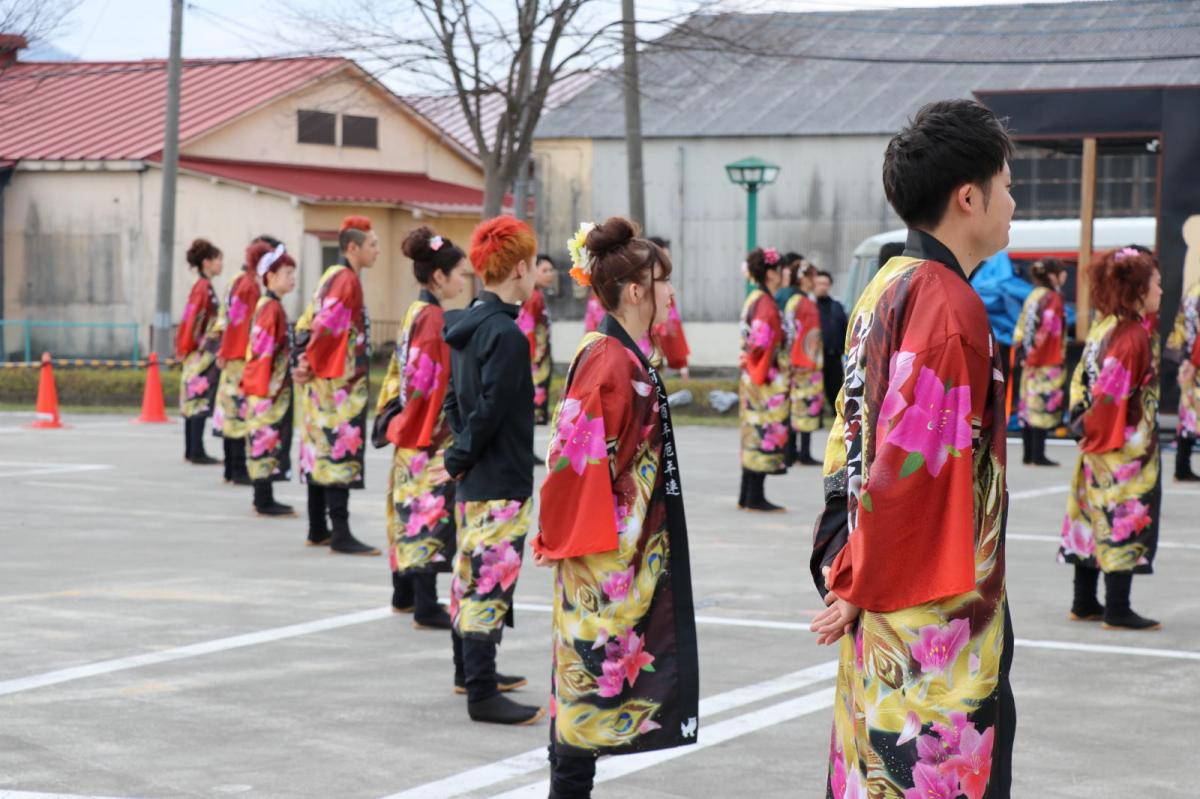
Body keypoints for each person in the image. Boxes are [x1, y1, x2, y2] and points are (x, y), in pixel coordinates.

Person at [810, 99, 1016, 798]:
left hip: (884, 591)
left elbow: (849, 434)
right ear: (969, 196)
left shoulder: (883, 286)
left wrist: (843, 559)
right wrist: (855, 576)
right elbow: (910, 473)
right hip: (931, 607)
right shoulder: (948, 304)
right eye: (1007, 184)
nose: (1012, 202)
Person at [533, 217, 699, 798]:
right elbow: (571, 467)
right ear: (635, 292)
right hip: (602, 556)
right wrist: (565, 539)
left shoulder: (621, 354)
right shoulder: (608, 360)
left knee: (587, 695)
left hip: (615, 549)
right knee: (583, 696)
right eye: (662, 281)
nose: (671, 294)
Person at [442, 216, 542, 725]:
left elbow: (454, 404)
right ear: (519, 266)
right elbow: (492, 408)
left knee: (470, 575)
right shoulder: (506, 333)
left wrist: (457, 456)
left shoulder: (464, 326)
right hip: (499, 476)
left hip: (474, 477)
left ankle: (470, 672)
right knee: (490, 578)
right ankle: (481, 692)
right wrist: (463, 455)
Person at [1060, 247, 1163, 631]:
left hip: (1097, 443)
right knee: (1123, 521)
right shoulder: (1132, 335)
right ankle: (1118, 608)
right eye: (1156, 283)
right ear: (1138, 290)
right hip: (1122, 447)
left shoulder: (1106, 326)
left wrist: (1081, 427)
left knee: (1090, 517)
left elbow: (1082, 384)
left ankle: (1084, 601)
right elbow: (1110, 395)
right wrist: (1100, 430)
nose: (1161, 291)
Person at [374, 227, 473, 629]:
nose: (463, 281)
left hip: (408, 428)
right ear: (438, 277)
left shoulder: (416, 311)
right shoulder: (433, 319)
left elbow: (403, 377)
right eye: (459, 274)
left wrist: (400, 423)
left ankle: (403, 593)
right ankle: (424, 603)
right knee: (427, 512)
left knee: (406, 510)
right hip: (425, 433)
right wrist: (436, 433)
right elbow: (429, 385)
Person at [293, 216, 380, 555]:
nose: (376, 251)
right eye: (372, 245)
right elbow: (328, 327)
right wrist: (311, 363)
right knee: (337, 451)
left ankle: (318, 527)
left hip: (321, 381)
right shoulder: (346, 280)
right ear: (352, 247)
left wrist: (303, 359)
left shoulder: (330, 275)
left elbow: (307, 323)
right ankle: (340, 532)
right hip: (336, 384)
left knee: (320, 450)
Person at [241, 242, 298, 518]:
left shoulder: (271, 306)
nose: (292, 279)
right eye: (288, 273)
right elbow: (262, 352)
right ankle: (263, 499)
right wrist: (265, 387)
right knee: (266, 438)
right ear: (271, 277)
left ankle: (265, 496)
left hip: (271, 385)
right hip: (268, 388)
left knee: (269, 439)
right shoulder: (270, 308)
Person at [213, 236, 275, 485]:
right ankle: (237, 469)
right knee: (239, 412)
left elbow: (228, 320)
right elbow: (241, 325)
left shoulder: (237, 281)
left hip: (231, 351)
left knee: (231, 411)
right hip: (239, 353)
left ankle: (231, 468)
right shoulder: (250, 286)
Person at [737, 246, 789, 512]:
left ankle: (746, 494)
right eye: (779, 270)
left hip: (753, 373)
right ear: (770, 273)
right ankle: (755, 495)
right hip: (765, 378)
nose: (783, 274)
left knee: (752, 432)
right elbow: (761, 342)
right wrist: (764, 369)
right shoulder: (766, 303)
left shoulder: (754, 298)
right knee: (763, 432)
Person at [1013, 258, 1069, 466]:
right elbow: (1048, 331)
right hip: (1046, 360)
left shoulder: (1033, 296)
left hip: (1029, 359)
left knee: (1028, 406)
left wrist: (1023, 354)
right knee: (1041, 407)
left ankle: (1029, 455)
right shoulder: (1052, 298)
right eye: (1062, 272)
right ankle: (1038, 455)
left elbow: (1021, 328)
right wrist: (1037, 356)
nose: (1064, 276)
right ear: (1053, 275)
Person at [176, 238, 223, 465]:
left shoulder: (202, 287)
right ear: (207, 262)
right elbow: (196, 320)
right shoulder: (204, 289)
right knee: (198, 399)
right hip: (201, 351)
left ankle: (192, 449)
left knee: (194, 400)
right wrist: (197, 344)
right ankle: (196, 450)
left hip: (196, 349)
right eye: (217, 259)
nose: (220, 264)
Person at [782, 260, 824, 466]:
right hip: (802, 362)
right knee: (801, 407)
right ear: (803, 278)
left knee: (804, 407)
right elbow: (794, 334)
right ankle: (796, 453)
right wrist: (796, 359)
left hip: (806, 360)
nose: (815, 280)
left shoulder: (802, 301)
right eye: (813, 276)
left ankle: (798, 452)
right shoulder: (800, 302)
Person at [519, 254, 556, 467]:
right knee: (530, 408)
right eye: (545, 270)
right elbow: (528, 329)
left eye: (551, 270)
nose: (549, 274)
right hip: (534, 363)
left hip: (539, 360)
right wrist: (531, 359)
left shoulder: (537, 295)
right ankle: (526, 451)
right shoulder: (533, 297)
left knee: (532, 409)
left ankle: (528, 450)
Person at [1165, 277, 1200, 481]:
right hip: (1196, 362)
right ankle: (1182, 468)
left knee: (1188, 416)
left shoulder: (1192, 290)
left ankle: (1182, 467)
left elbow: (1181, 329)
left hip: (1188, 360)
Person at [648, 236, 691, 378]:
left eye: (668, 258)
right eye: (664, 258)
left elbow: (672, 327)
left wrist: (682, 363)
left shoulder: (664, 289)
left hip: (651, 355)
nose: (668, 262)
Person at [813, 268, 848, 419]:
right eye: (819, 283)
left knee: (835, 387)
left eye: (825, 283)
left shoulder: (837, 306)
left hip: (834, 355)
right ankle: (816, 417)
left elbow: (845, 328)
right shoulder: (810, 306)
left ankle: (838, 416)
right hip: (816, 357)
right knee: (816, 389)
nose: (822, 286)